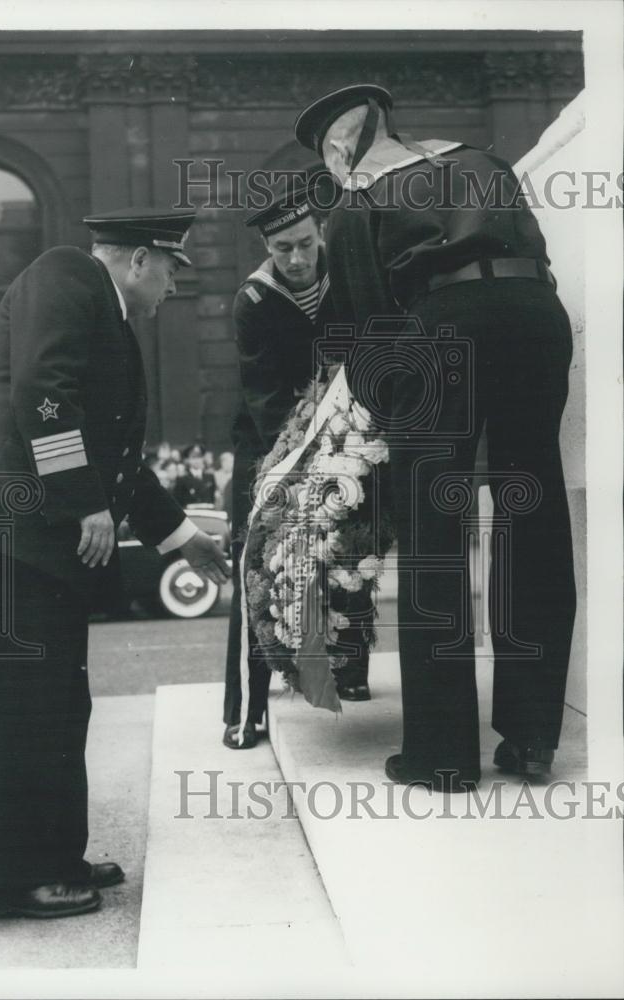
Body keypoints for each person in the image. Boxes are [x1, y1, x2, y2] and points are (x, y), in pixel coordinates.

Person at [0, 207, 229, 918]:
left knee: (56, 702)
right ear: (136, 260)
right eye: (171, 270)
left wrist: (181, 536)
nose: (173, 288)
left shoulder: (102, 308)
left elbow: (117, 457)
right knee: (21, 707)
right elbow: (44, 392)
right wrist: (82, 499)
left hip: (33, 537)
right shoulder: (67, 275)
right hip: (11, 529)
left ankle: (50, 857)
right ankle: (10, 878)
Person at [295, 84, 576, 790]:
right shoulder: (484, 161)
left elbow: (353, 331)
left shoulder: (356, 200)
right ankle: (532, 737)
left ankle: (442, 754)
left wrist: (386, 418)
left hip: (446, 327)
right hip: (538, 315)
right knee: (531, 518)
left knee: (432, 531)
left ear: (339, 148)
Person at [223, 180, 374, 751]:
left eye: (305, 243)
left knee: (353, 543)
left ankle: (352, 666)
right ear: (268, 247)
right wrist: (303, 461)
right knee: (258, 564)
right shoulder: (253, 302)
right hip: (272, 446)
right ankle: (246, 708)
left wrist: (348, 440)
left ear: (320, 234)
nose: (296, 258)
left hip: (347, 430)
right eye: (282, 247)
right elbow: (264, 399)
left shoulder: (349, 275)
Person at [174, 442, 217, 507]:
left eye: (199, 457)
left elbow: (212, 498)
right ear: (188, 460)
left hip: (207, 514)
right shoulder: (182, 479)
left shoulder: (210, 477)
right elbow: (178, 501)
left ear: (203, 458)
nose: (197, 460)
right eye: (193, 457)